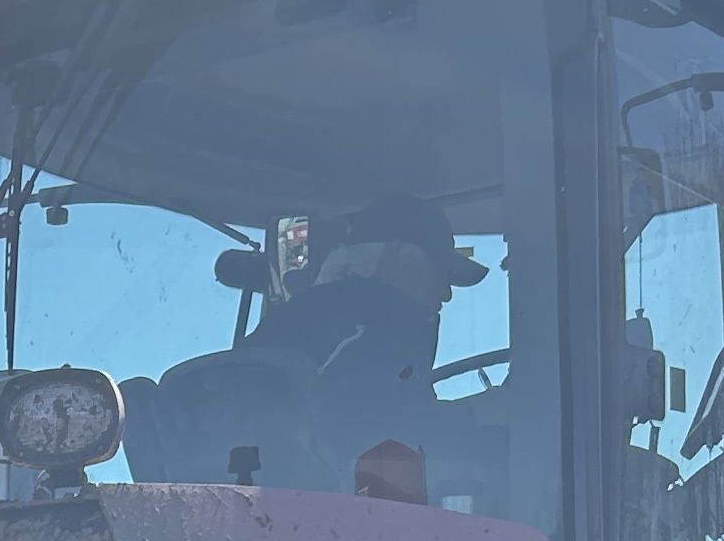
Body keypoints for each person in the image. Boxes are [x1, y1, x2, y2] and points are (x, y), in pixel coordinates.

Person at [127, 195, 488, 491]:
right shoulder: (383, 320)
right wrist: (488, 416)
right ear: (395, 253)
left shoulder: (292, 322)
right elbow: (387, 432)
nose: (445, 293)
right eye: (439, 272)